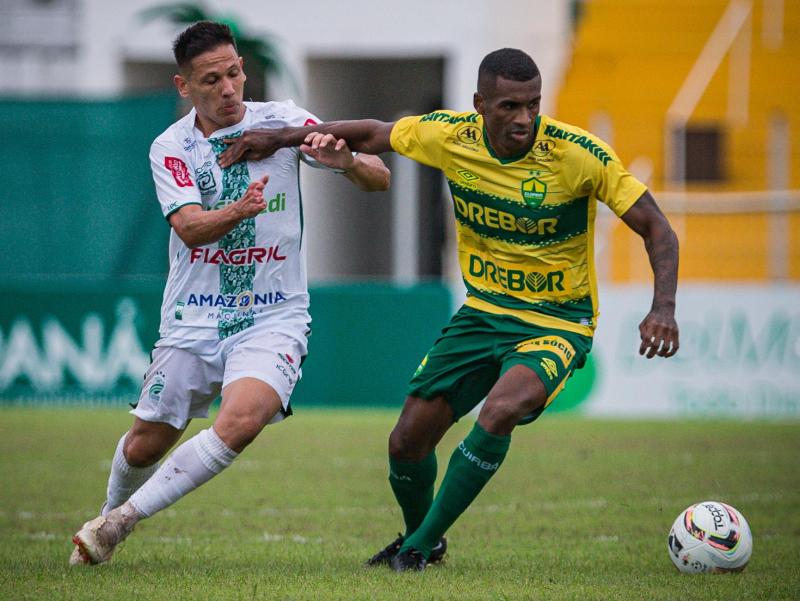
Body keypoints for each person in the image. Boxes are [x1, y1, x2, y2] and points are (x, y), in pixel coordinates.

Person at [218, 47, 680, 572]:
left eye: (533, 105)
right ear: (480, 103)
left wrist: (662, 306)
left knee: (500, 410)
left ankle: (415, 549)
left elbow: (657, 227)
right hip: (481, 314)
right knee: (406, 442)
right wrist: (279, 137)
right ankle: (426, 541)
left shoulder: (579, 154)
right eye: (509, 106)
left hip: (556, 322)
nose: (524, 119)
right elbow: (373, 132)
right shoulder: (451, 135)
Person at [69, 21, 389, 565]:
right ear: (184, 87)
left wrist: (350, 163)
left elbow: (379, 176)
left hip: (275, 315)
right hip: (194, 318)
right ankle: (108, 509)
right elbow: (190, 228)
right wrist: (239, 211)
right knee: (146, 443)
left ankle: (120, 523)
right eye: (211, 79)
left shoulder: (283, 121)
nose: (228, 88)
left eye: (234, 72)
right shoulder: (171, 148)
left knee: (242, 420)